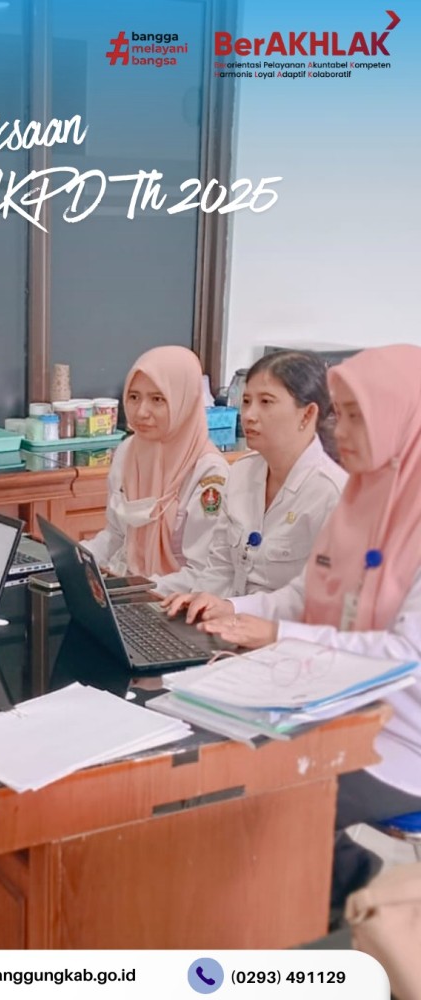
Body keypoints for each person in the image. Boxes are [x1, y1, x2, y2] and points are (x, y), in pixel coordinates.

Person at [189, 346, 421, 908]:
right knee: (210, 762)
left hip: (401, 736)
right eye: (341, 414)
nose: (340, 430)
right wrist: (236, 613)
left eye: (358, 416)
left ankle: (346, 909)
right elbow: (302, 595)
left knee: (266, 799)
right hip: (326, 702)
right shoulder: (362, 497)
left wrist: (278, 637)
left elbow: (405, 652)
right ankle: (339, 895)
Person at [160, 349, 347, 605]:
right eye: (246, 401)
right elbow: (220, 567)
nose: (248, 415)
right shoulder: (242, 471)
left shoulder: (332, 492)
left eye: (266, 402)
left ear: (307, 414)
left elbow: (319, 602)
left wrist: (232, 610)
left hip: (276, 628)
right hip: (226, 621)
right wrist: (197, 606)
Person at [82, 345, 229, 586]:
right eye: (134, 397)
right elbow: (115, 536)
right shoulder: (127, 451)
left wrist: (137, 592)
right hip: (129, 586)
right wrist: (73, 558)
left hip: (175, 598)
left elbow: (203, 573)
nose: (141, 412)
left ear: (184, 401)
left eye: (157, 399)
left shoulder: (209, 473)